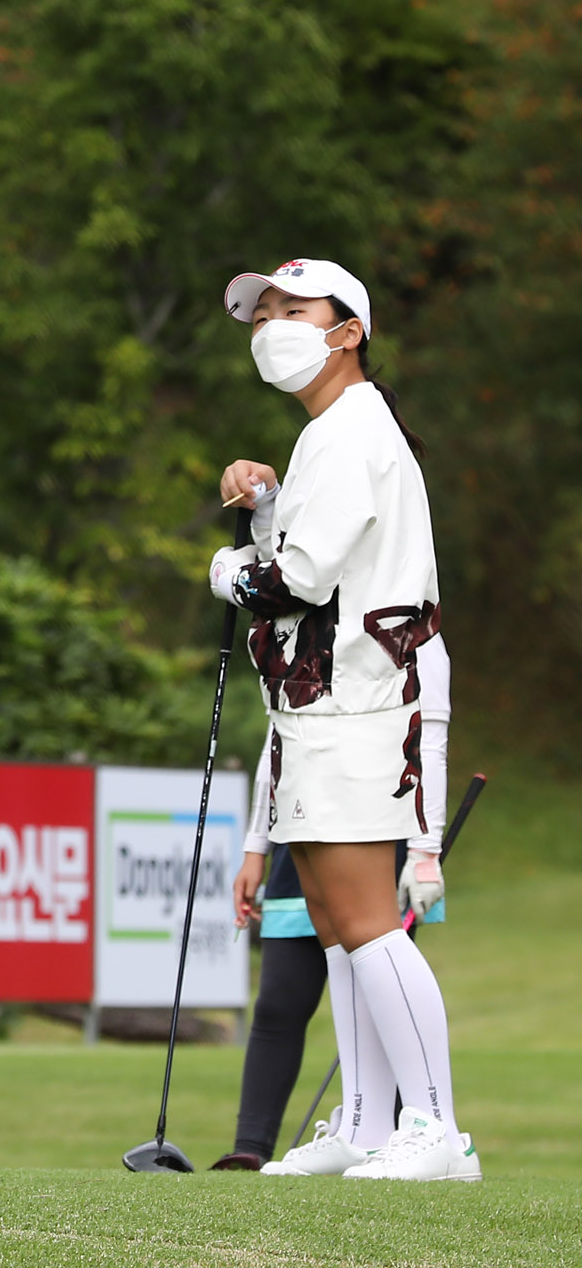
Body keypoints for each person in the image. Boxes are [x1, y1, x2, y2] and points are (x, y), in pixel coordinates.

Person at [207, 259, 478, 1182]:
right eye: (262, 313)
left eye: (293, 309)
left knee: (367, 920)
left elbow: (296, 580)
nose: (271, 325)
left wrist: (226, 568)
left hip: (359, 701)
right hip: (321, 704)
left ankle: (435, 1129)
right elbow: (309, 560)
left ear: (347, 330)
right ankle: (362, 1123)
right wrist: (269, 511)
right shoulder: (333, 432)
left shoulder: (352, 426)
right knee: (331, 917)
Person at [213, 636, 452, 1172]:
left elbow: (427, 742)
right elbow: (282, 738)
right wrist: (257, 845)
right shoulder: (311, 630)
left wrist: (425, 849)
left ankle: (427, 1130)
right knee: (282, 997)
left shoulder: (411, 633)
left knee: (377, 982)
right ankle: (358, 1129)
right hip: (303, 821)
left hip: (373, 826)